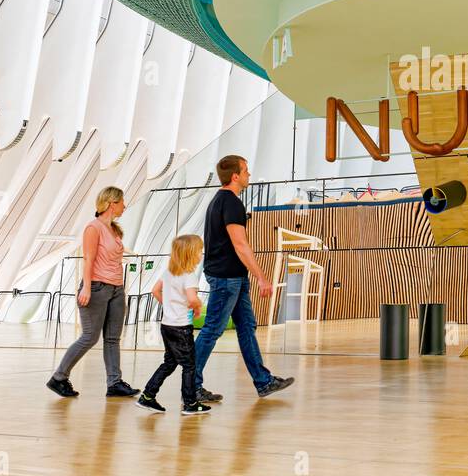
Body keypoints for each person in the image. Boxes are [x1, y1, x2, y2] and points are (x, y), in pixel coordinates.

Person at [192, 155, 294, 402]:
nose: (249, 175)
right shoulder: (231, 204)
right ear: (235, 176)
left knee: (246, 327)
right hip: (227, 279)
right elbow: (240, 244)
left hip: (233, 277)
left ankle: (263, 381)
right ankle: (191, 385)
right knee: (212, 330)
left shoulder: (219, 201)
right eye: (246, 171)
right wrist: (262, 277)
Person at [46, 187, 139, 398]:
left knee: (113, 338)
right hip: (97, 287)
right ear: (111, 203)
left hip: (116, 288)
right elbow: (88, 259)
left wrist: (119, 288)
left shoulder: (114, 230)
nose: (125, 205)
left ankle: (114, 383)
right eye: (122, 202)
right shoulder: (93, 228)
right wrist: (86, 287)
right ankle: (59, 378)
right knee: (90, 336)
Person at [137, 234, 210, 415]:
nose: (201, 254)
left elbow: (155, 290)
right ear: (190, 253)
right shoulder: (190, 276)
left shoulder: (168, 273)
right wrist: (197, 306)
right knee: (189, 365)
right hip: (181, 328)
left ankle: (147, 396)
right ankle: (190, 403)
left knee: (169, 363)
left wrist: (169, 305)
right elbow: (192, 299)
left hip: (167, 325)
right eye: (199, 251)